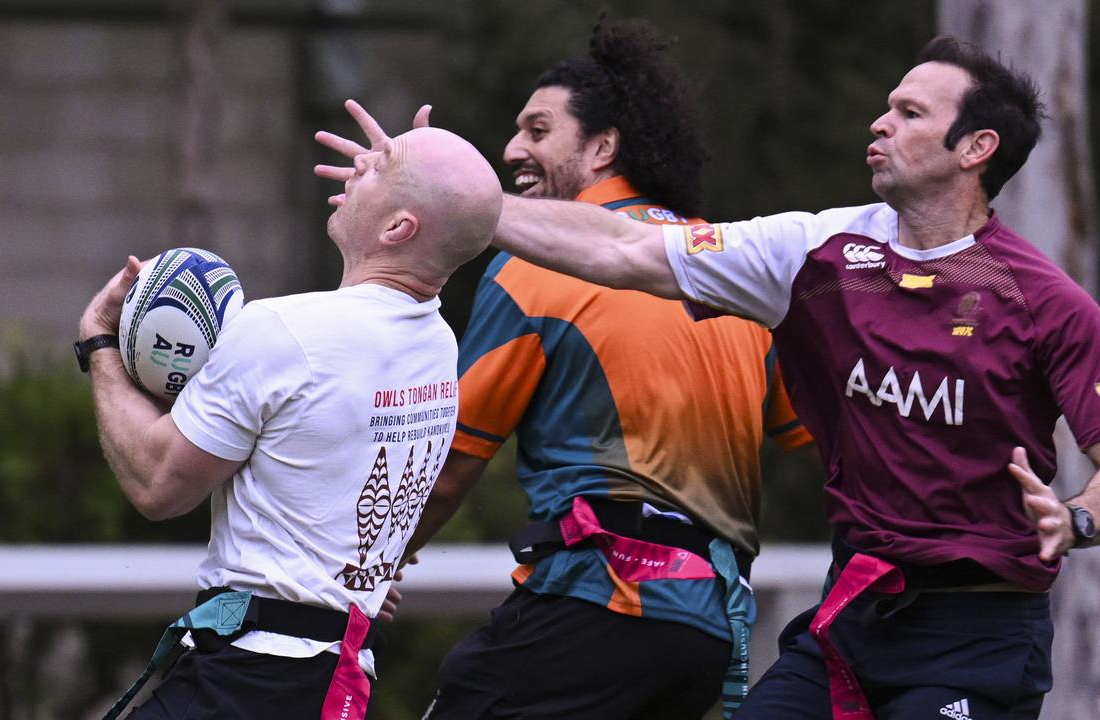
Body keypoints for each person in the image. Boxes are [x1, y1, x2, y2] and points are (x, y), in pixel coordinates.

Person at [324, 36, 1100, 720]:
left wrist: (1080, 517)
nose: (880, 123)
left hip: (977, 631)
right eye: (886, 106)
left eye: (909, 113)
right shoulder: (818, 251)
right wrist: (446, 196)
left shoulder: (1047, 303)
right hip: (853, 614)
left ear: (976, 148)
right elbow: (623, 249)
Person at [321, 19, 811, 719]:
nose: (513, 147)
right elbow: (820, 440)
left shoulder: (533, 269)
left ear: (603, 146)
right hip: (710, 631)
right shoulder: (732, 276)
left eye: (539, 129)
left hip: (602, 602)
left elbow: (450, 463)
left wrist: (359, 570)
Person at [76, 125, 501, 720]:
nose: (355, 168)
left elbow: (158, 484)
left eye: (374, 167)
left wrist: (97, 339)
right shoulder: (436, 347)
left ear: (399, 228)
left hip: (250, 681)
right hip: (335, 680)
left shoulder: (282, 332)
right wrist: (406, 176)